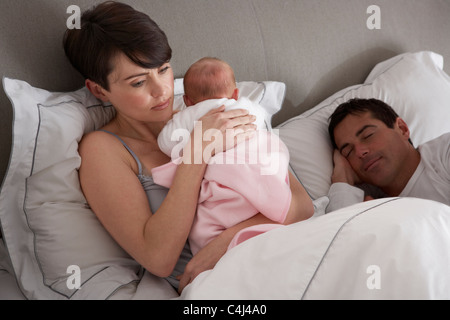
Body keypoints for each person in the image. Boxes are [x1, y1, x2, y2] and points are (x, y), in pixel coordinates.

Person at [63, 1, 313, 293]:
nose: (163, 90)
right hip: (224, 284)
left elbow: (302, 205)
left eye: (164, 69)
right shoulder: (103, 150)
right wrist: (197, 152)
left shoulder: (211, 113)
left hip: (279, 249)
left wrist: (225, 241)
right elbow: (158, 258)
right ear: (99, 90)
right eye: (138, 82)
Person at [153, 57, 314, 255]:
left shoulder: (188, 115)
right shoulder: (246, 106)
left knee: (214, 210)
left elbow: (166, 143)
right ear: (236, 93)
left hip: (223, 176)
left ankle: (222, 237)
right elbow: (260, 121)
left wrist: (174, 121)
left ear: (187, 100)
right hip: (256, 170)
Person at [326, 98, 450, 212]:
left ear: (402, 129)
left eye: (368, 135)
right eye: (348, 152)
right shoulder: (369, 206)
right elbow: (341, 232)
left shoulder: (444, 151)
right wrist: (342, 180)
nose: (360, 152)